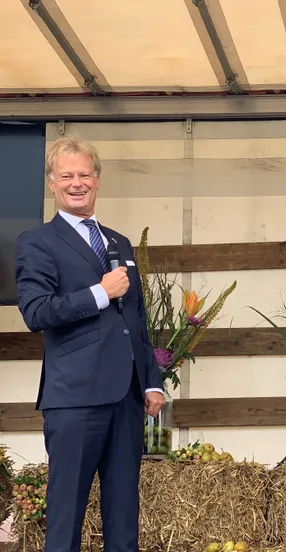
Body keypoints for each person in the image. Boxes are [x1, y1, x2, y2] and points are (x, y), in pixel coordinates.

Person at [15, 137, 165, 552]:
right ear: (52, 184)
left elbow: (135, 319)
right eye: (67, 176)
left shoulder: (119, 242)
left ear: (97, 181)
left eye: (84, 175)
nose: (76, 183)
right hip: (75, 399)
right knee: (66, 516)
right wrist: (99, 292)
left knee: (123, 517)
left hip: (126, 399)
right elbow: (36, 312)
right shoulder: (37, 242)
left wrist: (151, 381)